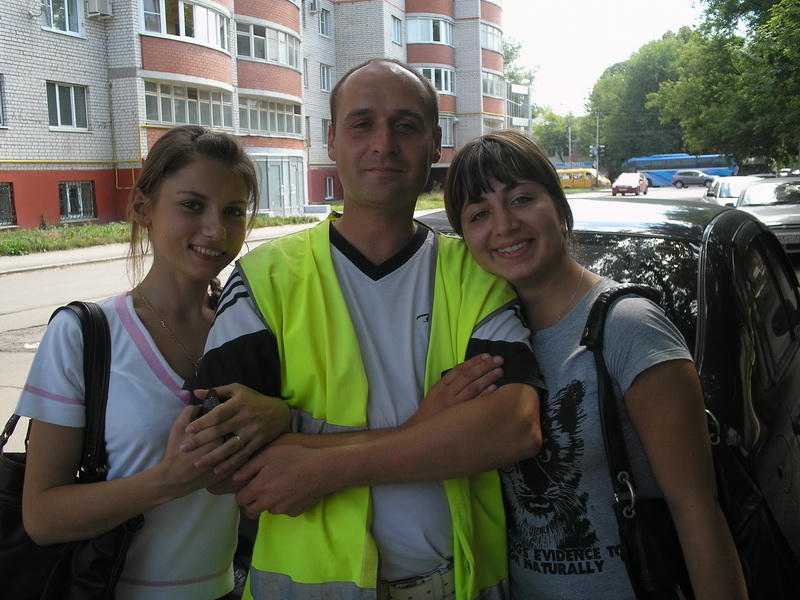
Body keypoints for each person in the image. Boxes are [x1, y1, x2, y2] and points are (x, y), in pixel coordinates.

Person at [190, 59, 543, 600]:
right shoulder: (265, 279)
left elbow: (513, 428)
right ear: (331, 140)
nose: (384, 143)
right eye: (362, 124)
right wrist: (426, 428)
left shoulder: (477, 273)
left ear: (435, 144)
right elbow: (218, 467)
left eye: (406, 125)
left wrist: (316, 458)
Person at [442, 129, 748, 600]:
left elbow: (697, 513)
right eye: (479, 213)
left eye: (521, 199)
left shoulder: (629, 327)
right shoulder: (485, 341)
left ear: (560, 210)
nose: (504, 225)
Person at [15, 125, 279, 599]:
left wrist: (280, 416)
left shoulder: (248, 329)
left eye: (234, 211)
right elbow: (42, 518)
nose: (216, 230)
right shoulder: (83, 335)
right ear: (142, 208)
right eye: (192, 205)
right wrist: (167, 481)